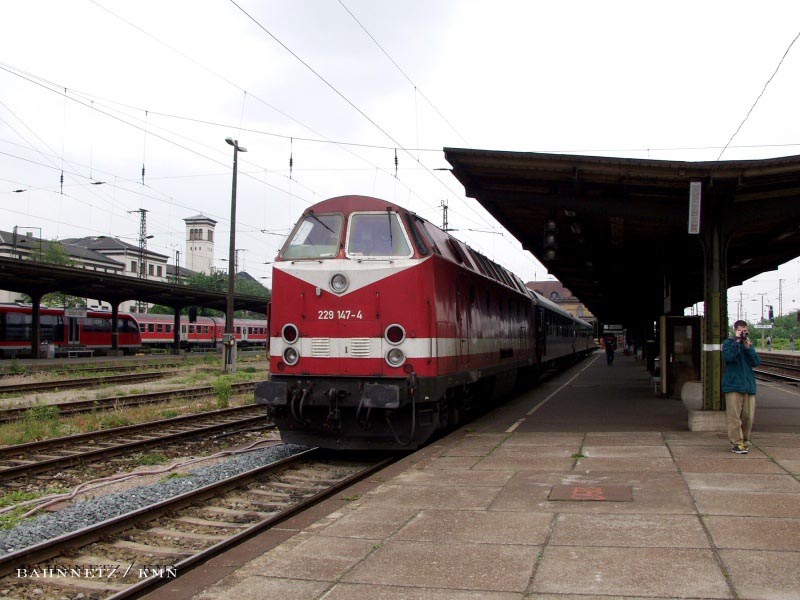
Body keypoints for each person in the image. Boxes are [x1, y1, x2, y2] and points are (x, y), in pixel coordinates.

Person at [722, 320, 760, 454]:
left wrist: (749, 348)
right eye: (741, 330)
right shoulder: (728, 343)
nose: (743, 333)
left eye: (745, 330)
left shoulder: (748, 345)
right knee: (734, 416)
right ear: (735, 330)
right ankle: (737, 442)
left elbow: (756, 362)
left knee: (748, 416)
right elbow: (729, 357)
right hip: (733, 385)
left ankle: (744, 439)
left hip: (748, 385)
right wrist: (737, 342)